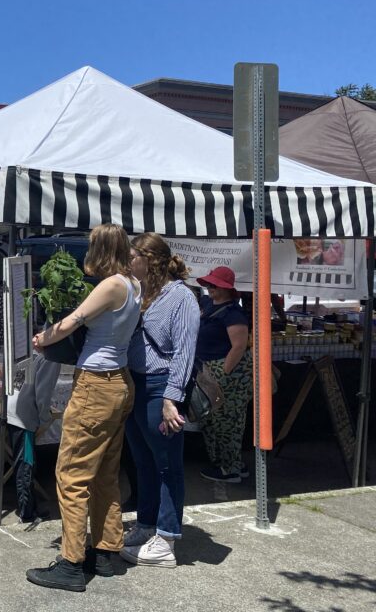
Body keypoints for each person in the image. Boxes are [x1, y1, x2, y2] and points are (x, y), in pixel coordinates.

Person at [26, 223, 140, 593]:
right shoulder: (133, 284)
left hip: (96, 385)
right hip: (120, 382)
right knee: (105, 472)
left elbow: (73, 321)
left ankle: (71, 562)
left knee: (71, 475)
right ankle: (106, 551)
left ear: (100, 249)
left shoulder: (110, 286)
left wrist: (44, 337)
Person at [121, 233, 200, 568]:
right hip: (137, 384)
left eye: (131, 258)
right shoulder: (140, 293)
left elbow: (184, 350)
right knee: (143, 461)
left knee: (167, 465)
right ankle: (146, 524)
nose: (127, 264)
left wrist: (172, 398)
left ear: (148, 260)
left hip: (160, 385)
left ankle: (167, 538)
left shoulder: (182, 298)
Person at [195, 266, 251, 484]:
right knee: (212, 419)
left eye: (214, 285)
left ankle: (230, 468)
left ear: (226, 289)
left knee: (229, 420)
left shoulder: (233, 313)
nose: (209, 288)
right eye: (209, 284)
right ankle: (228, 463)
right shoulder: (208, 305)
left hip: (225, 372)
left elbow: (238, 346)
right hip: (208, 369)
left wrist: (224, 373)